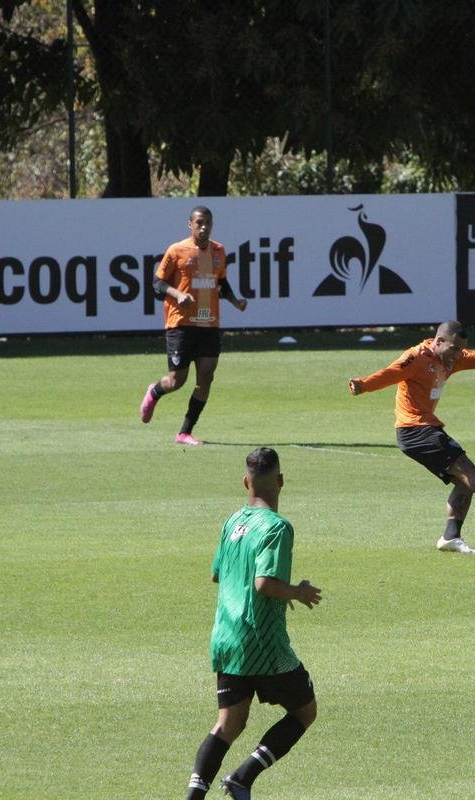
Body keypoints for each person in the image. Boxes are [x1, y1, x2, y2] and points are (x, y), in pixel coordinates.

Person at [183, 447, 321, 800]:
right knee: (305, 711)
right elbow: (264, 583)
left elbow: (218, 574)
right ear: (281, 481)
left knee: (229, 724)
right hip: (262, 641)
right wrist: (297, 592)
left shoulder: (233, 522)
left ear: (246, 482)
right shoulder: (277, 527)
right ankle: (243, 777)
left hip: (225, 636)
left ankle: (194, 797)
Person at [348, 320, 475, 555]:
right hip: (415, 430)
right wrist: (363, 385)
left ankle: (450, 537)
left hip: (424, 429)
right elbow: (391, 373)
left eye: (461, 349)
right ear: (438, 341)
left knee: (463, 482)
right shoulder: (415, 358)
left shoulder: (453, 358)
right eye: (454, 348)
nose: (458, 355)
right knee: (467, 470)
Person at [138, 206, 247, 446]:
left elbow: (221, 282)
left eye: (208, 222)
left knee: (206, 377)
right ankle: (155, 391)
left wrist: (235, 301)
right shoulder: (177, 251)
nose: (204, 227)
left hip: (209, 323)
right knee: (177, 380)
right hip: (181, 323)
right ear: (190, 224)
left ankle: (184, 432)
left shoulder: (219, 251)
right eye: (199, 222)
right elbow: (157, 283)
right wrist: (177, 294)